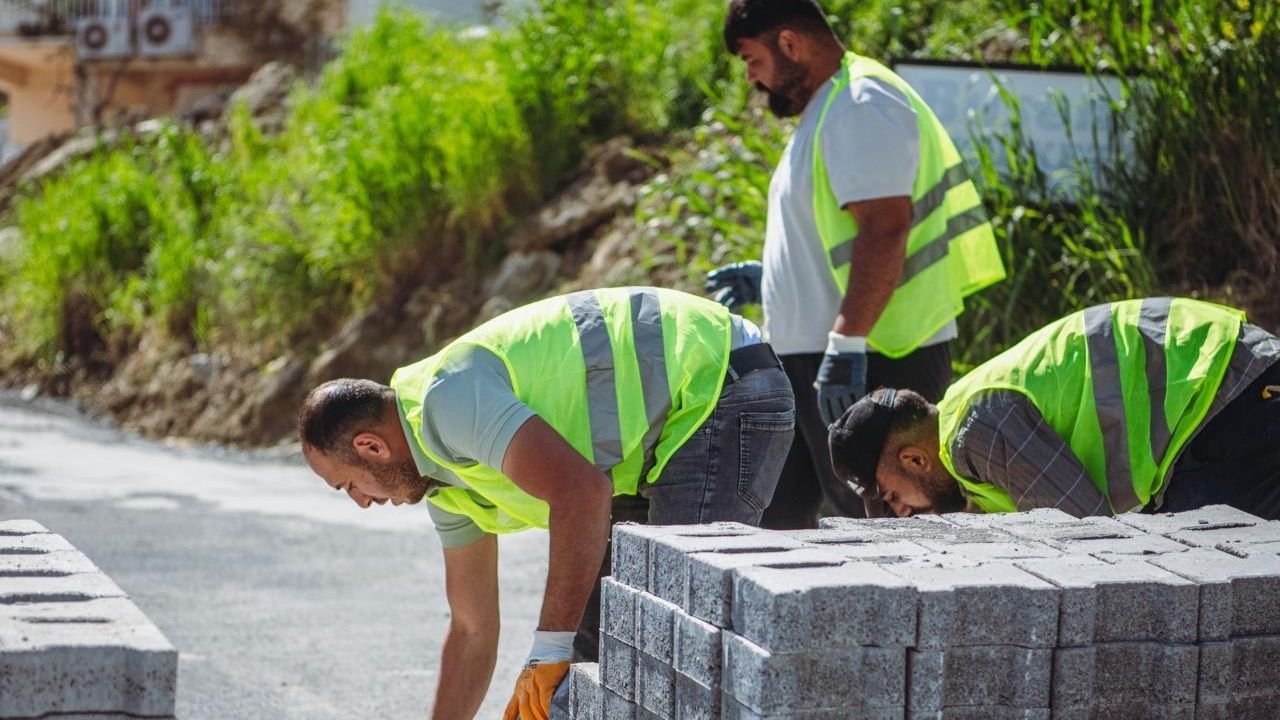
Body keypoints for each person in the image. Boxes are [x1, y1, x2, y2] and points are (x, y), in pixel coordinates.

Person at [296, 286, 793, 720]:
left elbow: (580, 494)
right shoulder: (445, 486)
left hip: (718, 380)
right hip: (661, 438)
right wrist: (555, 651)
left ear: (371, 447)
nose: (361, 502)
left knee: (673, 634)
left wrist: (548, 649)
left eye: (348, 485)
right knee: (599, 646)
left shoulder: (446, 403)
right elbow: (471, 629)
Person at [705, 0, 1005, 528]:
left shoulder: (860, 104)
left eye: (753, 59)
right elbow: (840, 234)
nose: (751, 77)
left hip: (873, 357)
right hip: (830, 356)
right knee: (780, 524)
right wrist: (776, 280)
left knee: (886, 527)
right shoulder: (833, 107)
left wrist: (846, 345)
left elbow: (885, 228)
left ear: (790, 43)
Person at [828, 297, 1280, 520]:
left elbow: (1087, 536)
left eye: (892, 496)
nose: (902, 512)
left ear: (914, 459)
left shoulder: (976, 431)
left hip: (1225, 390)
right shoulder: (966, 432)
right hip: (1219, 398)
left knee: (1214, 560)